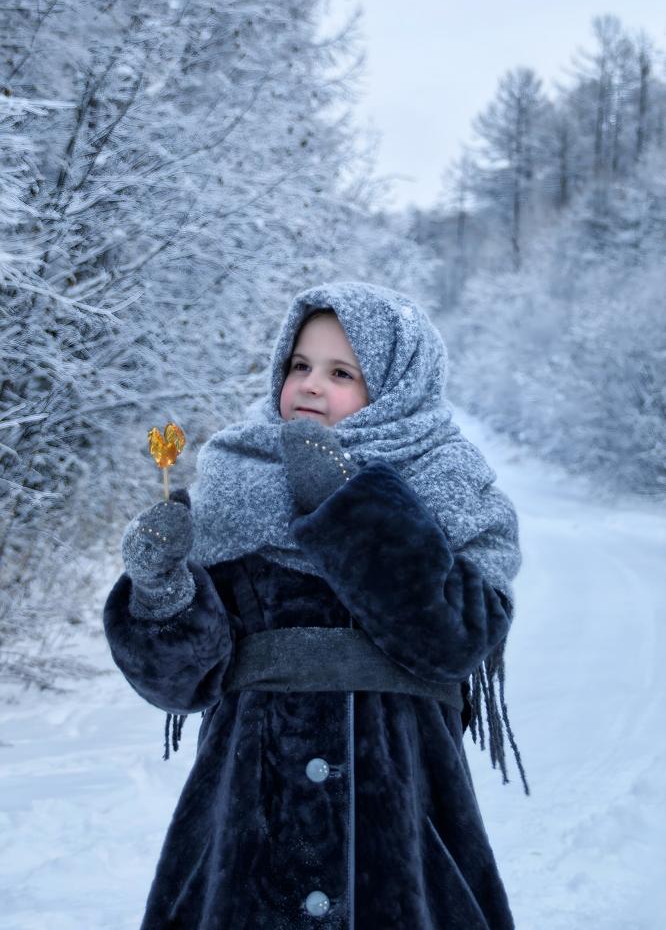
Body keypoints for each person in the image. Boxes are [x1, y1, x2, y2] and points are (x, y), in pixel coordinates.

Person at [104, 281, 528, 930]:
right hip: (246, 824)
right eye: (298, 366)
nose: (308, 385)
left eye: (341, 373)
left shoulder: (449, 484)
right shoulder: (232, 481)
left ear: (395, 387)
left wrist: (345, 505)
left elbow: (457, 639)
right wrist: (159, 587)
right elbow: (183, 681)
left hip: (403, 825)